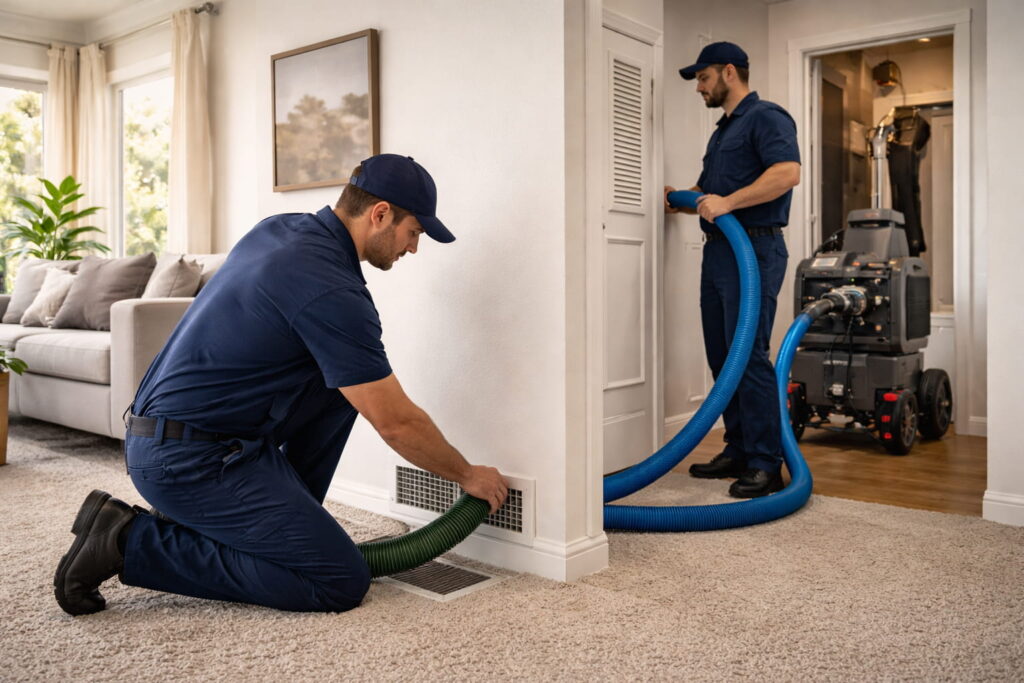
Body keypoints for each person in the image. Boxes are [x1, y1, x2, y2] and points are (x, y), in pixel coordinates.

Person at [53, 154, 509, 616]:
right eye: (415, 232)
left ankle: (282, 526)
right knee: (340, 581)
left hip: (175, 437)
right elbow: (395, 421)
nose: (413, 248)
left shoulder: (282, 229)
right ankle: (126, 540)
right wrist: (468, 475)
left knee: (343, 385)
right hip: (186, 461)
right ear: (380, 214)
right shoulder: (332, 291)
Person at [665, 42, 800, 498]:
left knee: (749, 355)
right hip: (719, 250)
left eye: (702, 78)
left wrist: (728, 203)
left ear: (728, 72)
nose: (698, 88)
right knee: (722, 356)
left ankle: (766, 462)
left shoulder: (767, 117)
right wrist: (682, 199)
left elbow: (786, 173)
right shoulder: (722, 131)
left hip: (755, 249)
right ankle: (739, 449)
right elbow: (710, 192)